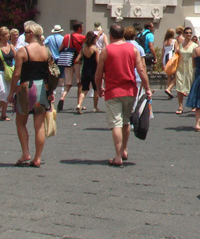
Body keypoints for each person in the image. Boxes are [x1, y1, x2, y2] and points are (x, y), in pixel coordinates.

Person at [95, 22, 152, 167]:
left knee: (116, 123)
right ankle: (124, 149)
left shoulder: (106, 50)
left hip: (113, 90)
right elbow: (141, 70)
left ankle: (117, 156)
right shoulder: (133, 49)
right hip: (130, 90)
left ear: (110, 35)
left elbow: (99, 73)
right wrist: (147, 88)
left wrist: (98, 87)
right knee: (126, 121)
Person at [7, 22, 52, 167]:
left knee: (21, 122)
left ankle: (25, 152)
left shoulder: (22, 51)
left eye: (25, 32)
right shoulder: (46, 51)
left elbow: (17, 74)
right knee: (39, 126)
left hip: (27, 87)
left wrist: (12, 92)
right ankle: (37, 158)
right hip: (42, 87)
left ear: (31, 34)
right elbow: (51, 73)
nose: (24, 34)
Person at [56, 21, 85, 111]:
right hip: (77, 61)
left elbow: (60, 48)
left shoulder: (66, 37)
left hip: (68, 61)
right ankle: (79, 103)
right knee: (79, 83)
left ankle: (62, 97)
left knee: (68, 83)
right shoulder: (82, 37)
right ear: (79, 28)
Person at [76, 32, 100, 114]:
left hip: (85, 70)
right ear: (93, 40)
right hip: (94, 71)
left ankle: (79, 104)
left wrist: (82, 62)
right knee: (96, 89)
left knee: (84, 90)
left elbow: (76, 60)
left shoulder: (83, 49)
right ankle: (95, 107)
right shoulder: (95, 49)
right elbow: (98, 61)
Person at [174, 27, 197, 115]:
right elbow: (176, 55)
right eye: (187, 33)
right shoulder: (180, 44)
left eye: (190, 33)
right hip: (180, 67)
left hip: (191, 68)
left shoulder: (195, 45)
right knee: (179, 87)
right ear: (183, 34)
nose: (189, 34)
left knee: (191, 86)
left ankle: (193, 104)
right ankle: (180, 106)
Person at [162, 28, 179, 98]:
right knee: (176, 75)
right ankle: (169, 89)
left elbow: (163, 51)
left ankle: (169, 90)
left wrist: (162, 62)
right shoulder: (174, 41)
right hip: (171, 57)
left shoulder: (165, 42)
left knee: (169, 75)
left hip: (165, 57)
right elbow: (176, 50)